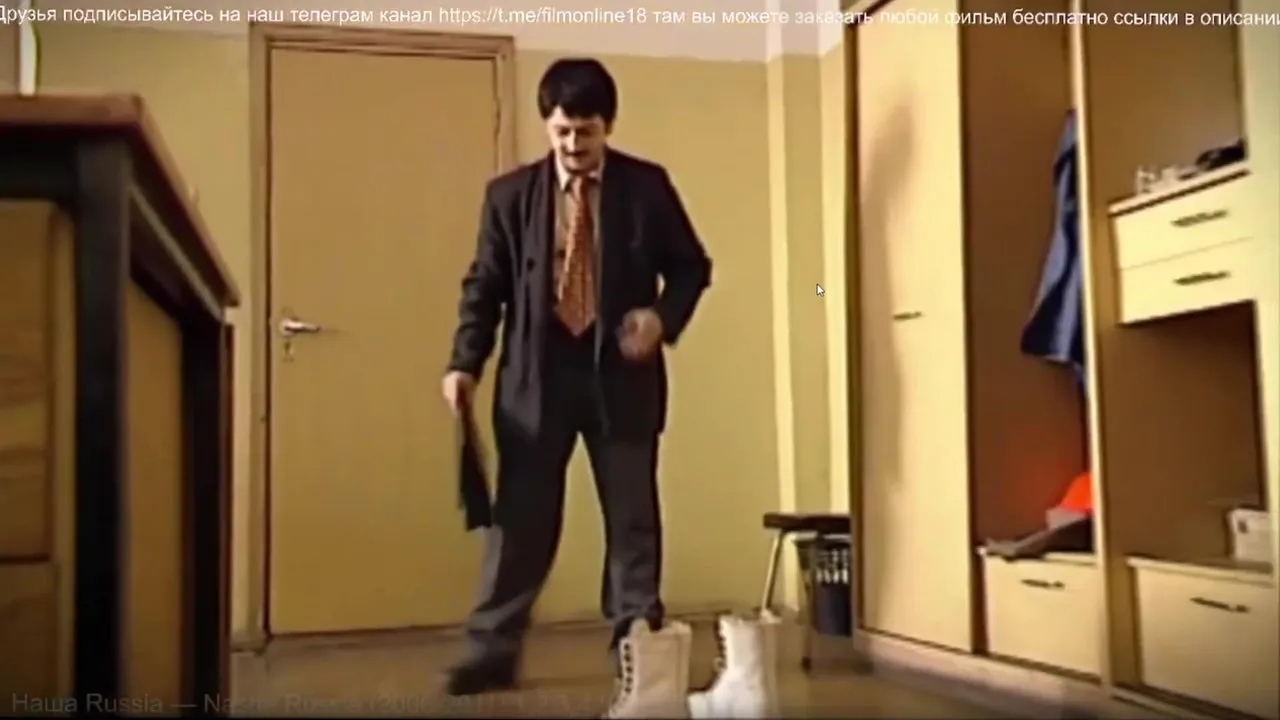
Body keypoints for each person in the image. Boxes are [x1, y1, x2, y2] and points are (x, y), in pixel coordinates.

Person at [441, 57, 713, 699]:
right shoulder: (508, 197)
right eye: (561, 131)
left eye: (585, 132)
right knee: (520, 523)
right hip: (535, 383)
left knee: (632, 519)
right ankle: (491, 651)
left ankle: (637, 648)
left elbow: (692, 268)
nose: (572, 145)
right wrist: (464, 363)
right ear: (548, 126)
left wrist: (660, 317)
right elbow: (484, 287)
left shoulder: (647, 187)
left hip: (622, 379)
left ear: (607, 126)